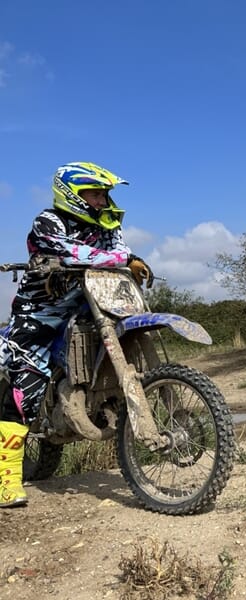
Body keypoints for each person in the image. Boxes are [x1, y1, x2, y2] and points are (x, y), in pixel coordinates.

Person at [1, 162, 153, 508]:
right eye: (95, 193)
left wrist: (134, 258)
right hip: (41, 313)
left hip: (91, 303)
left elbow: (122, 249)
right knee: (27, 384)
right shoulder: (47, 221)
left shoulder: (107, 224)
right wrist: (123, 258)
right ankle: (6, 479)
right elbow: (73, 252)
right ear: (72, 194)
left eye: (104, 193)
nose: (101, 200)